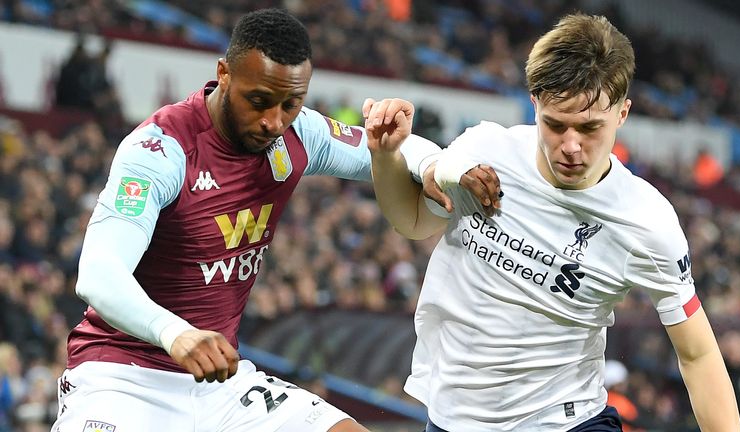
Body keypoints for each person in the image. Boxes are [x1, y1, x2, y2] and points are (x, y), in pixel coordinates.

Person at [50, 8, 499, 432]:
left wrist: (434, 168)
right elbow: (98, 274)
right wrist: (175, 333)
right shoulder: (160, 151)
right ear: (223, 74)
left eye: (291, 104)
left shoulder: (298, 133)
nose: (273, 121)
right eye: (259, 100)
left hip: (220, 383)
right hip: (122, 377)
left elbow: (388, 148)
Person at [365, 13, 740, 432]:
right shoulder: (484, 152)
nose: (571, 147)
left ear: (622, 113)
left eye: (590, 128)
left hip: (569, 422)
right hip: (454, 419)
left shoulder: (646, 222)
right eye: (555, 124)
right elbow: (414, 221)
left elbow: (698, 355)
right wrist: (386, 158)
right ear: (534, 103)